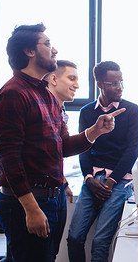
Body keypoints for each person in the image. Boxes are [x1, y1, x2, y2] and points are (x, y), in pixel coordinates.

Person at [0, 23, 124, 262]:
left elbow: (60, 147)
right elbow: (10, 159)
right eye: (48, 44)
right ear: (29, 51)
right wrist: (30, 208)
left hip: (53, 197)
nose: (55, 50)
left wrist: (94, 132)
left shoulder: (45, 95)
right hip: (29, 201)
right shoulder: (13, 94)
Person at [67, 61, 138, 262]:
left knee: (101, 241)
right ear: (100, 83)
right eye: (113, 83)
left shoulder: (131, 110)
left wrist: (112, 181)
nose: (120, 88)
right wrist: (89, 178)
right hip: (94, 178)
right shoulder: (87, 112)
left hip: (119, 179)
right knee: (74, 238)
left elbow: (132, 150)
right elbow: (84, 147)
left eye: (121, 82)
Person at [43, 59, 79, 258]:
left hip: (55, 190)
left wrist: (63, 180)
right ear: (54, 79)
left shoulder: (59, 109)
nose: (77, 85)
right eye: (71, 78)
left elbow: (55, 151)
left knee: (51, 254)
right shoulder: (42, 108)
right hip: (38, 194)